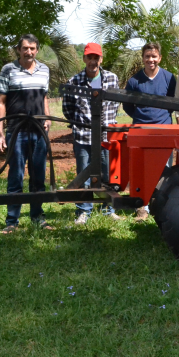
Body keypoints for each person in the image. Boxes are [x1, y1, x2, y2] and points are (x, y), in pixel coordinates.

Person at [0, 34, 53, 233]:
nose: (29, 52)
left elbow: (44, 97)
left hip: (38, 132)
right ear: (19, 49)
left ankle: (38, 218)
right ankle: (12, 222)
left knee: (38, 177)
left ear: (37, 50)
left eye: (33, 48)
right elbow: (0, 102)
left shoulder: (44, 69)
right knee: (16, 177)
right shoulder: (8, 70)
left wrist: (47, 118)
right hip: (16, 131)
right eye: (25, 48)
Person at [62, 42, 123, 225]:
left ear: (101, 59)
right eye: (90, 57)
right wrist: (82, 124)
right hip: (83, 136)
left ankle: (107, 209)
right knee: (83, 174)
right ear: (84, 59)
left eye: (96, 58)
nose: (93, 61)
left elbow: (116, 104)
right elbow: (67, 109)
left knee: (107, 173)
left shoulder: (111, 78)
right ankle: (83, 210)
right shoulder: (74, 81)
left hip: (105, 136)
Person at [123, 42, 177, 220]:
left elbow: (172, 104)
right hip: (141, 130)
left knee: (165, 170)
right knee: (141, 170)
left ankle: (163, 206)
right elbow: (128, 106)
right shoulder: (134, 81)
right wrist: (142, 118)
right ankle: (142, 207)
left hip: (163, 130)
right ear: (143, 58)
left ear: (159, 58)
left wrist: (161, 118)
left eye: (154, 56)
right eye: (147, 56)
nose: (150, 60)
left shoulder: (170, 78)